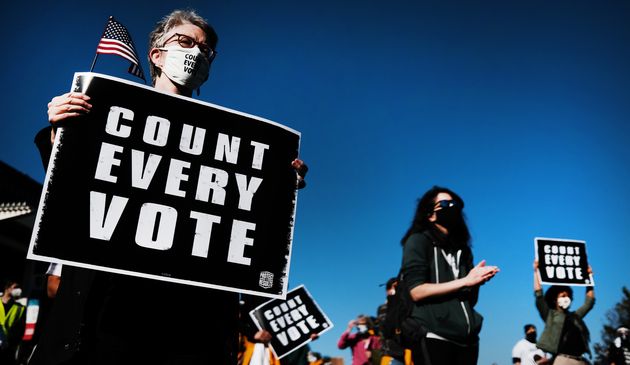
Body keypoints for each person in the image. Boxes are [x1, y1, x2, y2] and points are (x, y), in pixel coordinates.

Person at [31, 9, 308, 365]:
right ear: (156, 54)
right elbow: (69, 191)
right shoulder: (103, 113)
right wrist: (62, 131)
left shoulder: (233, 145)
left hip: (189, 332)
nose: (197, 52)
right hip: (104, 320)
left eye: (206, 49)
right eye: (186, 41)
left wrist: (278, 188)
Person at [400, 186, 499, 365]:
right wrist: (466, 281)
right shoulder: (418, 241)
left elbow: (470, 301)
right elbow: (416, 291)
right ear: (430, 215)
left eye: (456, 204)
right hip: (434, 335)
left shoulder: (463, 250)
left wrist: (477, 281)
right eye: (445, 204)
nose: (452, 207)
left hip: (468, 341)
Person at [533, 261, 595, 365]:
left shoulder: (575, 316)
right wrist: (536, 271)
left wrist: (589, 278)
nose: (565, 298)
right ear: (554, 299)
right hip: (563, 360)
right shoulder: (550, 315)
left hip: (581, 360)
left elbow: (589, 303)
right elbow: (539, 295)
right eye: (562, 296)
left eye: (567, 296)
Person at [376, 277, 406, 365]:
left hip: (394, 354)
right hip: (394, 354)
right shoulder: (384, 308)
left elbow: (386, 330)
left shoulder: (384, 308)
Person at [0, 280, 26, 365]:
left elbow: (20, 328)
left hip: (7, 347)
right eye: (15, 287)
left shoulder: (20, 307)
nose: (18, 290)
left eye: (19, 288)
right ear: (7, 288)